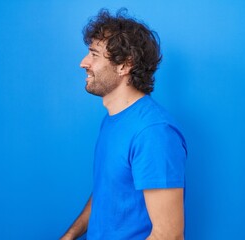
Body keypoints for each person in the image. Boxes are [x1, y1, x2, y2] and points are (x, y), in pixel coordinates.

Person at [61, 8, 187, 240]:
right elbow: (108, 192)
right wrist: (70, 236)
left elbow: (169, 236)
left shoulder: (153, 133)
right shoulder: (113, 119)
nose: (83, 63)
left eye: (94, 54)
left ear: (124, 65)